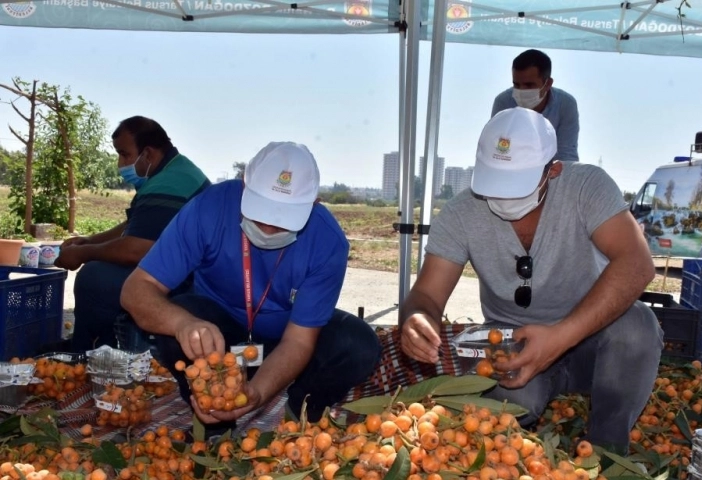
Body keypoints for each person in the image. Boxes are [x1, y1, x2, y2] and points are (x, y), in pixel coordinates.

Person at [399, 107, 662, 454]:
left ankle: (607, 450)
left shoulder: (587, 188)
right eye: (495, 183)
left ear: (552, 171)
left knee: (637, 327)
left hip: (592, 339)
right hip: (515, 345)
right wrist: (416, 318)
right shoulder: (462, 213)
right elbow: (427, 296)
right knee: (508, 408)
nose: (505, 198)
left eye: (517, 186)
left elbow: (637, 265)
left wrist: (560, 337)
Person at [120, 141, 381, 428]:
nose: (269, 228)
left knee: (358, 344)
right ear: (244, 186)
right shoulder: (209, 209)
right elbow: (136, 289)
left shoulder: (328, 241)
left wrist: (256, 394)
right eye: (261, 212)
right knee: (177, 318)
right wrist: (183, 324)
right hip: (219, 339)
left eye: (284, 219)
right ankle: (214, 418)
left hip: (283, 341)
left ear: (314, 204)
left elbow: (298, 340)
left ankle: (301, 412)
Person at [56, 116, 210, 353]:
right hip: (189, 270)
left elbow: (136, 249)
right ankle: (96, 345)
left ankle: (90, 352)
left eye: (125, 155)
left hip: (195, 282)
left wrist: (83, 253)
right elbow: (137, 224)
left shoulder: (170, 183)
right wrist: (90, 241)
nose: (120, 164)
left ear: (147, 154)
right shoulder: (175, 170)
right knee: (102, 266)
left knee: (95, 278)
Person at [491, 49, 579, 162]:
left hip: (551, 173)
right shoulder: (503, 102)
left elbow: (566, 156)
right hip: (512, 169)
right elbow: (497, 152)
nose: (521, 91)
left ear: (548, 84)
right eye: (516, 84)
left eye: (529, 85)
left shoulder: (566, 104)